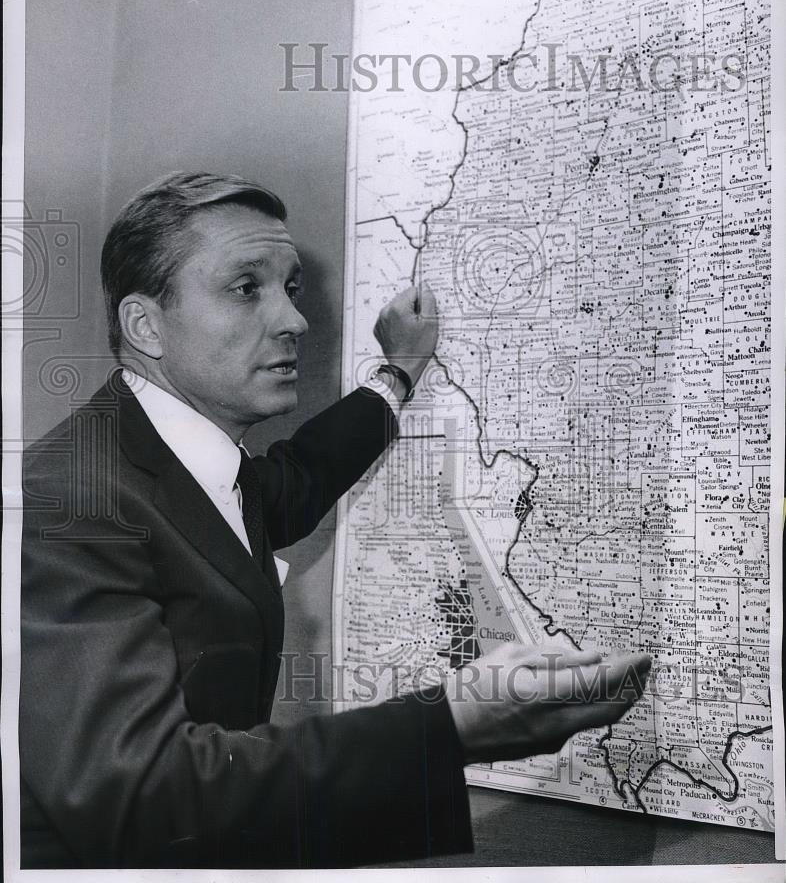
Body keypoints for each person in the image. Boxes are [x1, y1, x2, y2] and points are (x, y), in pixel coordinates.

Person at [20, 171, 651, 869]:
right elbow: (132, 794)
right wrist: (446, 726)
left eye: (289, 288)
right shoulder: (70, 501)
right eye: (245, 287)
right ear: (146, 325)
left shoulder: (183, 465)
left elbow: (300, 478)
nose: (295, 320)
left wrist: (399, 372)